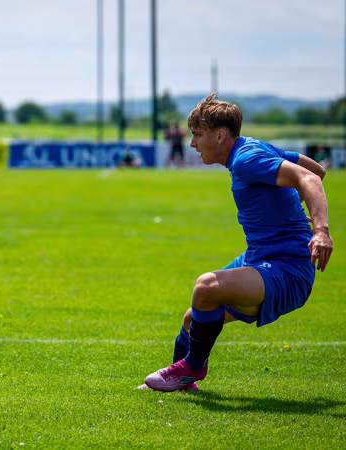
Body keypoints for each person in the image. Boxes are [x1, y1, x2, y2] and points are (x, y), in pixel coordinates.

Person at [142, 92, 333, 392]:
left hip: (288, 268)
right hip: (262, 257)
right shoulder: (251, 148)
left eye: (197, 135)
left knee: (205, 286)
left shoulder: (246, 159)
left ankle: (192, 368)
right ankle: (182, 381)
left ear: (219, 135)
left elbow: (311, 179)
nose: (192, 143)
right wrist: (288, 208)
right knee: (194, 318)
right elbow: (317, 169)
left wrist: (320, 230)